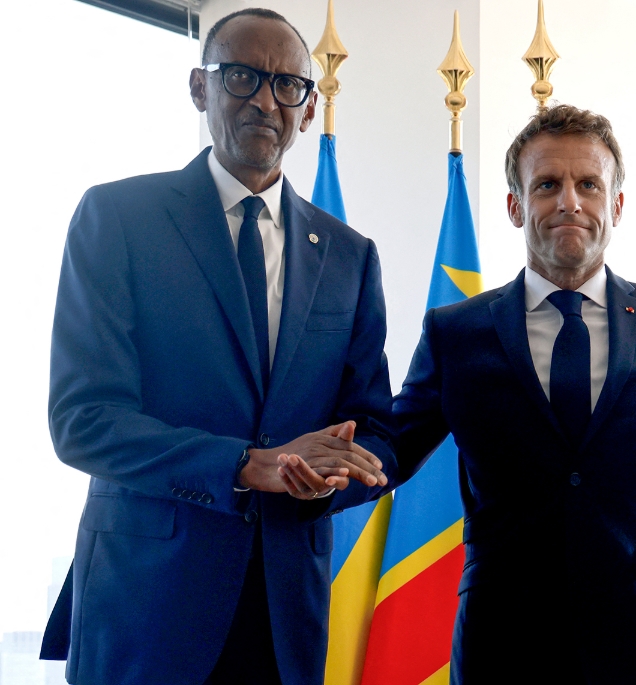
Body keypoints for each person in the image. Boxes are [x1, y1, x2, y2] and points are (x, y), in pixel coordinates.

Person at [45, 8, 397, 684]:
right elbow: (83, 420)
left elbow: (375, 427)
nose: (265, 99)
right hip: (146, 606)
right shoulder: (117, 219)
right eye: (241, 76)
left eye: (286, 84)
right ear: (200, 88)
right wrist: (243, 463)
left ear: (309, 106)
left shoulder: (350, 257)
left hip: (284, 615)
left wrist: (324, 478)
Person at [390, 104, 636, 683]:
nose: (569, 201)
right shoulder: (455, 334)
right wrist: (310, 466)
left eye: (589, 185)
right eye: (547, 184)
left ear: (616, 205)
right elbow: (387, 450)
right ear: (515, 206)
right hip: (502, 644)